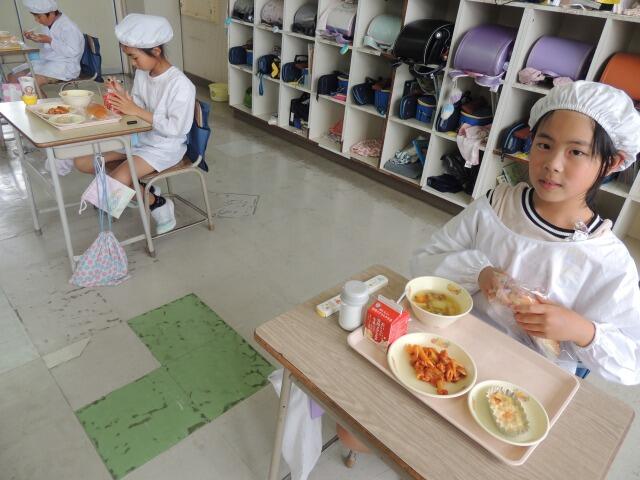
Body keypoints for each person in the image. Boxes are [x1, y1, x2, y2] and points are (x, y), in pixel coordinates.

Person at [411, 81, 640, 385]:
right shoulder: (497, 205)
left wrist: (581, 330)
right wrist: (478, 273)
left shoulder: (608, 261)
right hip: (452, 345)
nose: (552, 164)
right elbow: (424, 261)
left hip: (526, 381)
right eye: (544, 145)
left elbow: (631, 363)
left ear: (612, 162)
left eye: (576, 152)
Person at [73, 13, 196, 235]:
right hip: (139, 139)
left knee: (115, 184)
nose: (132, 63)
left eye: (134, 57)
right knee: (83, 162)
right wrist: (122, 97)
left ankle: (156, 203)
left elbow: (177, 129)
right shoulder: (142, 73)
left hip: (163, 147)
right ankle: (142, 191)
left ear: (155, 51)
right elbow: (138, 107)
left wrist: (135, 110)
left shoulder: (181, 85)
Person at [7, 0, 84, 88]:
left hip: (65, 67)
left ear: (51, 13)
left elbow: (73, 52)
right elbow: (49, 42)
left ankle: (36, 96)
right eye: (35, 16)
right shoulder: (49, 23)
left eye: (39, 17)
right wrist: (35, 38)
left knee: (31, 83)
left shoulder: (68, 27)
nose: (36, 20)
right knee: (12, 76)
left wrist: (50, 41)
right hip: (48, 62)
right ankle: (28, 95)